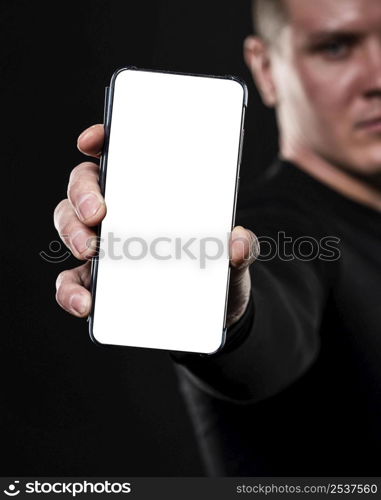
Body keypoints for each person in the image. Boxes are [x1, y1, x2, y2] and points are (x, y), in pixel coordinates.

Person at [54, 0, 381, 475]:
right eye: (335, 47)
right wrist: (229, 311)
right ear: (265, 69)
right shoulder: (283, 230)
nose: (377, 77)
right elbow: (268, 332)